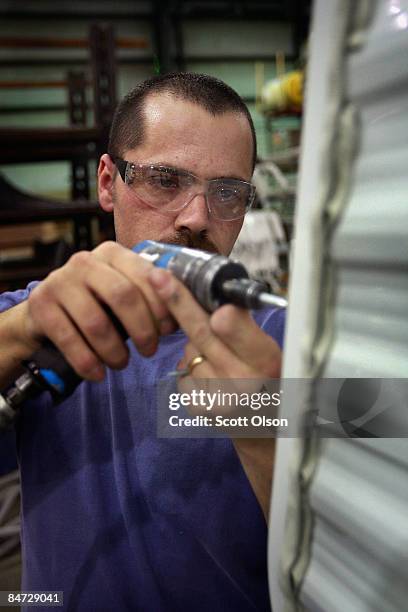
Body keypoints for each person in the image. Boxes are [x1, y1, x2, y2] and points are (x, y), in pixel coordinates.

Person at [0, 73, 285, 611]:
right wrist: (25, 326)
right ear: (108, 183)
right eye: (164, 180)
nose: (197, 218)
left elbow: (365, 550)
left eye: (227, 193)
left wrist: (266, 432)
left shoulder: (287, 344)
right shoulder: (40, 319)